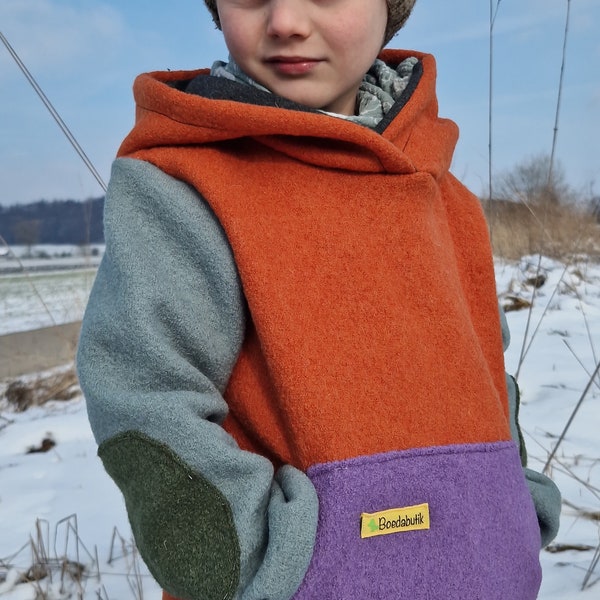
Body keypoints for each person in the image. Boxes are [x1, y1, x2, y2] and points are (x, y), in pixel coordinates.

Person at [76, 1, 561, 599]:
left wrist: (516, 503)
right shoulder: (183, 186)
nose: (284, 22)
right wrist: (266, 566)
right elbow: (142, 395)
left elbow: (489, 366)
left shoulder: (446, 194)